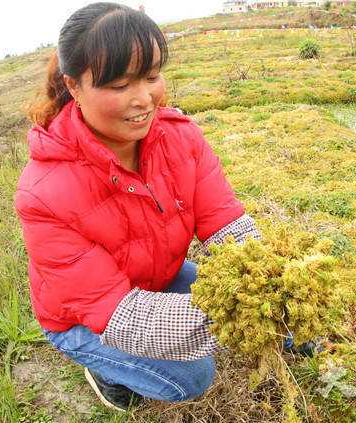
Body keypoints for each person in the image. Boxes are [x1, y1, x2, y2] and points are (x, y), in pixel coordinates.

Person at [17, 2, 261, 412]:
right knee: (192, 376)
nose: (144, 99)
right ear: (74, 86)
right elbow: (118, 314)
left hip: (153, 274)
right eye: (119, 86)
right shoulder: (44, 193)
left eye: (152, 77)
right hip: (85, 315)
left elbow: (224, 220)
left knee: (247, 292)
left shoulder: (179, 137)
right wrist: (235, 318)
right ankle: (103, 369)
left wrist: (266, 275)